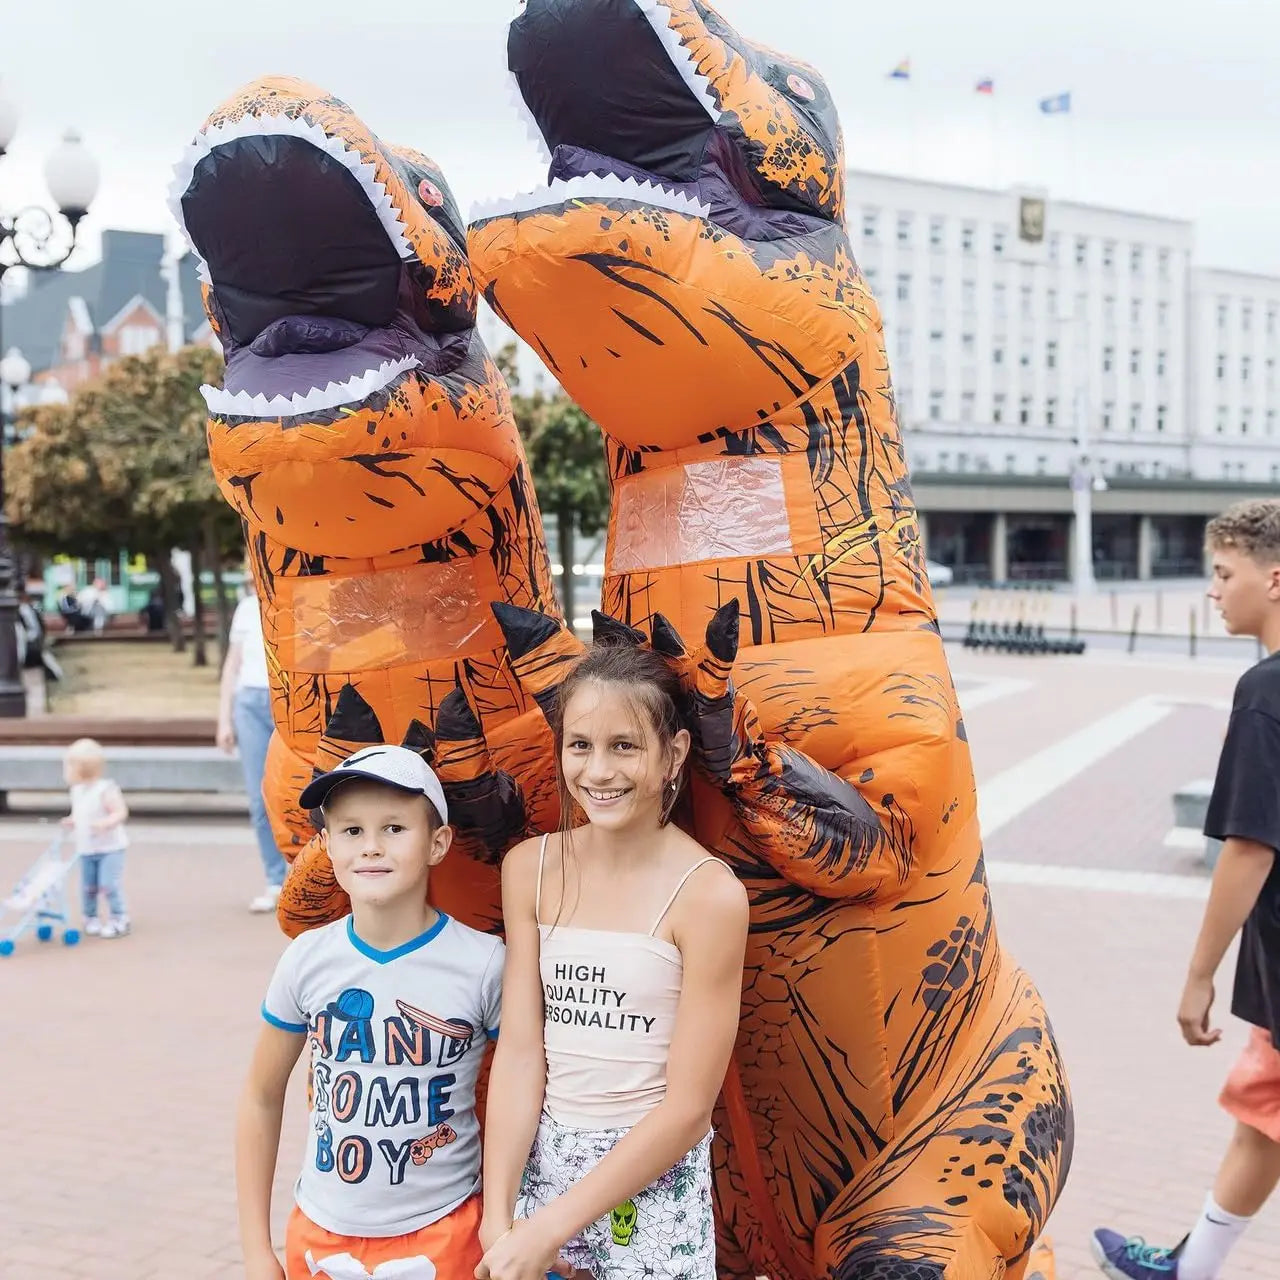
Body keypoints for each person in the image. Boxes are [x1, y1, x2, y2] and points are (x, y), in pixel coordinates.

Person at [478, 641, 749, 1280]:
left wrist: (550, 1228)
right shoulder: (530, 870)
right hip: (539, 1181)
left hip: (651, 1195)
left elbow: (686, 1110)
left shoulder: (709, 895)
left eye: (623, 746)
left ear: (673, 754)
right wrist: (501, 1216)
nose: (598, 771)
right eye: (580, 745)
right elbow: (521, 1052)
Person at [1092, 498, 1280, 1280]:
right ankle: (1189, 1267)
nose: (1213, 590)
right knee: (1264, 1115)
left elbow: (1248, 846)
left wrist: (1199, 975)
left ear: (1275, 579)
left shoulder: (1266, 691)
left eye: (1224, 573)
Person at [236, 744, 503, 1280]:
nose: (372, 847)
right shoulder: (306, 960)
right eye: (352, 831)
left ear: (437, 843)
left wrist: (503, 1220)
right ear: (328, 845)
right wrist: (254, 1249)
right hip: (320, 1235)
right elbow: (261, 1098)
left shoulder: (484, 963)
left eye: (394, 828)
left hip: (445, 1233)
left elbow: (523, 1098)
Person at [218, 573, 289, 912]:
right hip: (250, 704)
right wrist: (223, 719)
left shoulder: (293, 602)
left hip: (288, 702)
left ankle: (313, 876)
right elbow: (231, 667)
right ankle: (275, 881)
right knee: (258, 798)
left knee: (297, 792)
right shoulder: (245, 609)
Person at [61, 737, 130, 939]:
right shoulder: (77, 791)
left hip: (110, 848)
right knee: (88, 886)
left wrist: (106, 823)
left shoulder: (105, 790)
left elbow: (120, 812)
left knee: (108, 884)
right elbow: (81, 812)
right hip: (87, 848)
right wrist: (72, 820)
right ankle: (90, 916)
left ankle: (119, 917)